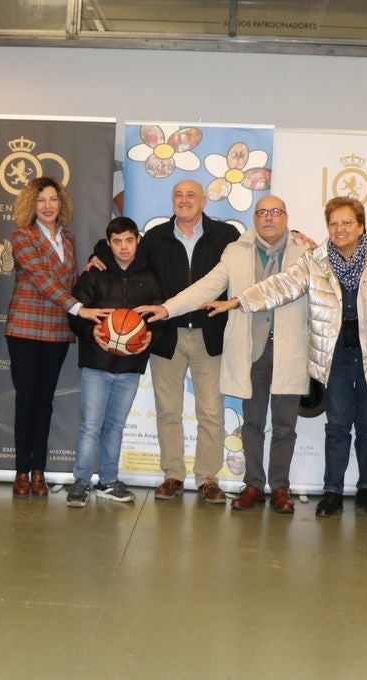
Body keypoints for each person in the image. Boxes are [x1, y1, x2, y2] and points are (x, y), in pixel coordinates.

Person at [210, 197, 367, 518]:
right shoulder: (315, 260)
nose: (340, 229)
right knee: (336, 427)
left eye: (347, 223)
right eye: (334, 223)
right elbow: (280, 285)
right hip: (334, 358)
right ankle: (332, 491)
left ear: (361, 226)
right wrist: (238, 301)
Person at [138, 195, 310, 514]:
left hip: (290, 349)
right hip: (251, 350)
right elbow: (207, 286)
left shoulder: (307, 252)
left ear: (286, 217)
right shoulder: (236, 250)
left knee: (285, 425)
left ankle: (281, 488)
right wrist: (167, 308)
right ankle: (255, 485)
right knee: (254, 422)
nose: (268, 218)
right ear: (254, 217)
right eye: (261, 212)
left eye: (275, 212)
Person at [99, 179, 240, 503]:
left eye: (191, 194)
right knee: (168, 411)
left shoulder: (226, 236)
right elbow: (122, 253)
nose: (184, 200)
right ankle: (173, 475)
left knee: (210, 411)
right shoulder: (156, 238)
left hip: (210, 335)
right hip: (167, 336)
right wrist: (98, 255)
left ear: (203, 201)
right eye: (178, 195)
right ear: (172, 200)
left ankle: (208, 479)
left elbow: (255, 248)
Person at [6, 177, 107, 497]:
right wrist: (79, 309)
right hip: (25, 328)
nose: (48, 206)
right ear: (30, 205)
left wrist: (87, 271)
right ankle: (21, 472)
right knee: (26, 401)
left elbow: (66, 282)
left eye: (53, 199)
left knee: (45, 402)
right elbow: (41, 279)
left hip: (56, 331)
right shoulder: (22, 236)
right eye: (41, 200)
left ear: (61, 204)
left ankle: (39, 472)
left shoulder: (70, 238)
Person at [64, 217, 162, 507]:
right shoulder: (94, 275)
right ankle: (80, 482)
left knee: (115, 426)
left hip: (131, 365)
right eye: (117, 242)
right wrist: (90, 331)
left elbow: (160, 316)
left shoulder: (150, 276)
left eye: (129, 241)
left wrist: (150, 338)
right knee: (90, 426)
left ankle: (108, 480)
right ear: (109, 243)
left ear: (137, 241)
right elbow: (74, 313)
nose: (123, 247)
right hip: (96, 363)